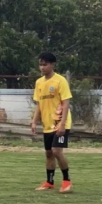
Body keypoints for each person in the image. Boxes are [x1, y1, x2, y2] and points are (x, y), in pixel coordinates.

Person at [31, 52, 73, 193]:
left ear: (52, 64)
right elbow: (39, 104)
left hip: (60, 122)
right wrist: (34, 121)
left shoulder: (60, 81)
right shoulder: (39, 83)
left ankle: (67, 181)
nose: (42, 67)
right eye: (40, 64)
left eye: (45, 64)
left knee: (56, 151)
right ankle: (49, 182)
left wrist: (62, 124)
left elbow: (66, 103)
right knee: (49, 153)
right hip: (47, 124)